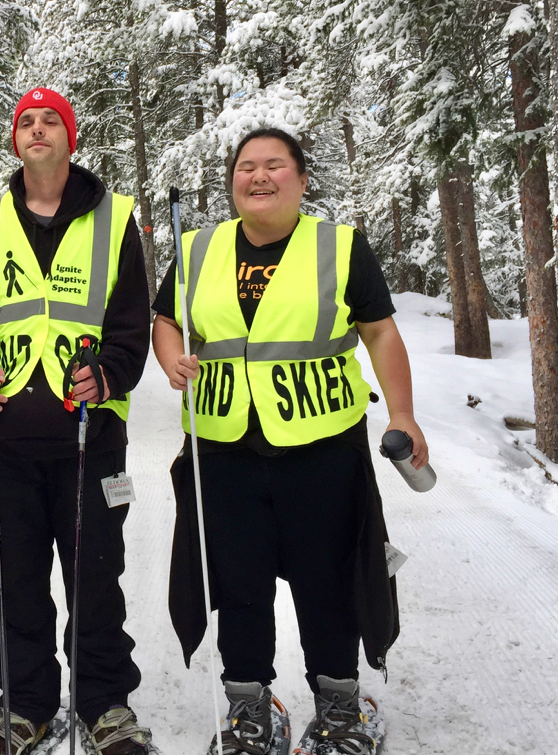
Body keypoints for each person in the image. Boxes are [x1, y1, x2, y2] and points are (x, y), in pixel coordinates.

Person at [151, 127, 428, 755]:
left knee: (325, 581)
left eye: (275, 165)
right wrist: (171, 358)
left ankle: (339, 706)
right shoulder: (196, 250)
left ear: (301, 180)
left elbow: (380, 334)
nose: (259, 176)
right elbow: (166, 319)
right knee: (239, 585)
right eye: (246, 166)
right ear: (232, 184)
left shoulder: (340, 247)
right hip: (222, 449)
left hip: (322, 448)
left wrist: (404, 415)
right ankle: (250, 708)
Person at [0, 88, 153, 755]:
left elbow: (129, 324)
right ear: (15, 141)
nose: (38, 130)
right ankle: (25, 707)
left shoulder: (114, 218)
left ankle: (105, 706)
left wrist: (110, 373)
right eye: (26, 122)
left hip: (91, 439)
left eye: (50, 120)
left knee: (95, 581)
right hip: (7, 440)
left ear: (71, 136)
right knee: (18, 583)